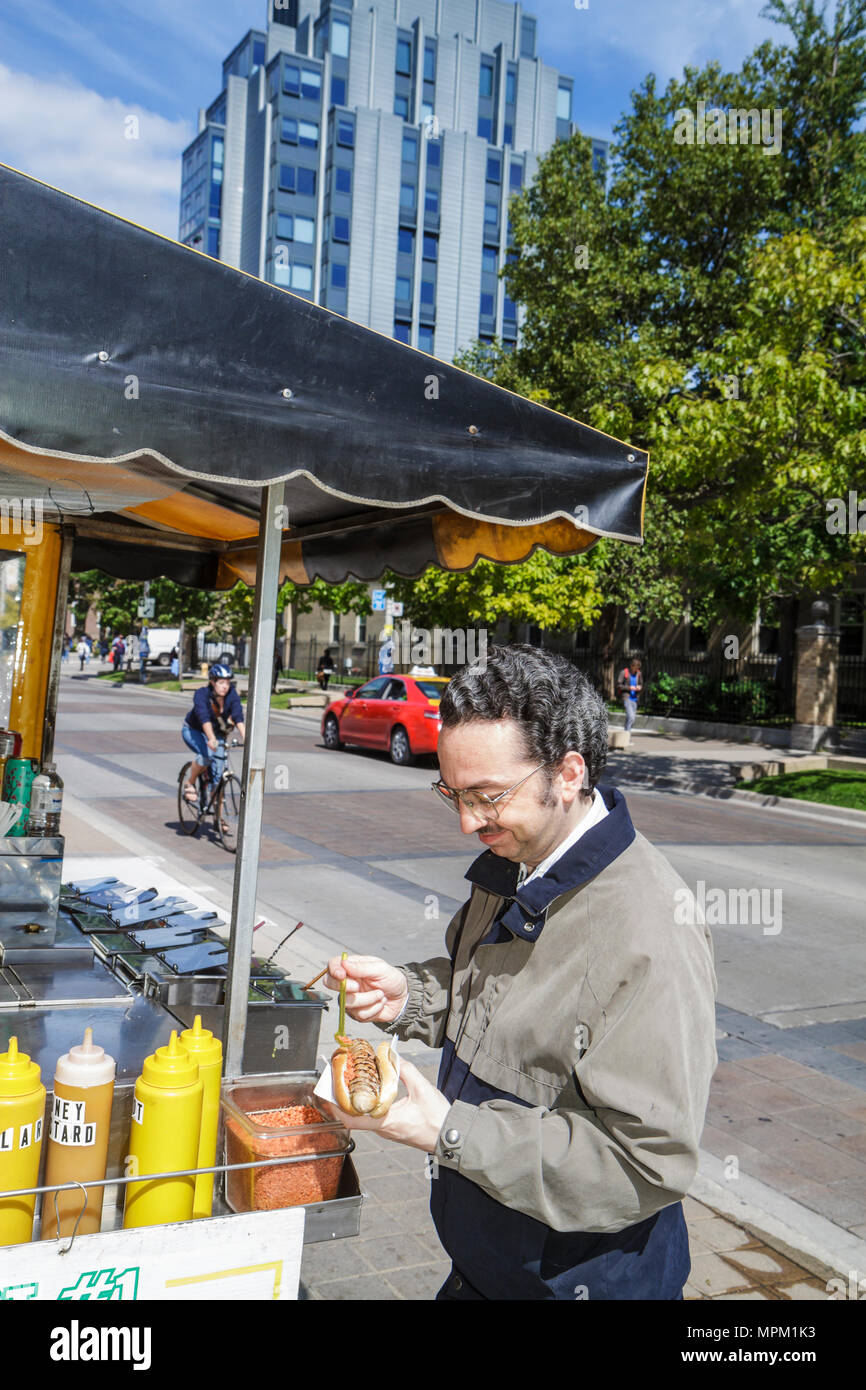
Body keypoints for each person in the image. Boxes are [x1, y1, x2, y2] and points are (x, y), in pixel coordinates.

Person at [319, 644, 717, 1301]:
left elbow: (641, 1166)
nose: (467, 820)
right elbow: (495, 995)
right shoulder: (520, 853)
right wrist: (409, 994)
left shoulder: (653, 932)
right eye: (451, 792)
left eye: (487, 796)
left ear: (568, 774)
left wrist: (446, 1130)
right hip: (486, 1269)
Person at [181, 664, 245, 806]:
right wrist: (211, 738)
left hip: (216, 734)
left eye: (228, 683)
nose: (225, 686)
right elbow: (204, 717)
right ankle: (189, 783)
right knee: (206, 755)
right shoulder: (201, 694)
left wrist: (247, 738)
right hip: (193, 730)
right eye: (221, 683)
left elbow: (238, 716)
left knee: (217, 778)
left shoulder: (232, 695)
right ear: (212, 682)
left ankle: (218, 819)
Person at [617, 657, 643, 733]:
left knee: (631, 719)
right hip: (626, 697)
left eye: (638, 668)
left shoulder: (639, 674)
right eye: (635, 668)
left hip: (635, 698)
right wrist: (629, 688)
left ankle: (625, 737)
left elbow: (641, 684)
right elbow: (619, 685)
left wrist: (639, 687)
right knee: (631, 717)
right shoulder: (624, 672)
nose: (636, 670)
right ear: (631, 666)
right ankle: (627, 736)